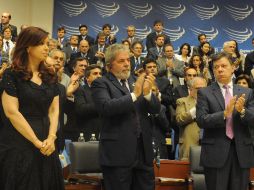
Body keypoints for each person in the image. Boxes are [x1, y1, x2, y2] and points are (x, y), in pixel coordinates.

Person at [0, 26, 64, 189]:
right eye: (41, 44)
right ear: (28, 47)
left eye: (47, 43)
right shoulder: (12, 74)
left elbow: (54, 109)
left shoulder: (50, 74)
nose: (46, 48)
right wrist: (36, 142)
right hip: (19, 142)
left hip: (47, 143)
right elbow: (11, 112)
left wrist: (51, 138)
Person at [91, 44, 161, 190]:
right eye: (121, 61)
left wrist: (148, 94)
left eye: (128, 60)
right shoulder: (101, 83)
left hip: (143, 152)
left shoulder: (135, 81)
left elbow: (155, 109)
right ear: (110, 65)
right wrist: (135, 94)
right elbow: (106, 107)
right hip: (118, 154)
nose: (127, 64)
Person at [196, 52, 254, 190]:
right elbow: (201, 120)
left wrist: (242, 112)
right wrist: (224, 114)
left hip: (241, 154)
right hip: (215, 153)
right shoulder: (205, 92)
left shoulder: (247, 92)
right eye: (216, 67)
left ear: (233, 67)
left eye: (223, 66)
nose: (220, 69)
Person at [176, 77, 207, 160]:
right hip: (189, 145)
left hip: (208, 145)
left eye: (203, 88)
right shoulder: (182, 101)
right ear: (191, 89)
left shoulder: (211, 102)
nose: (201, 91)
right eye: (198, 88)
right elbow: (179, 119)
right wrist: (196, 110)